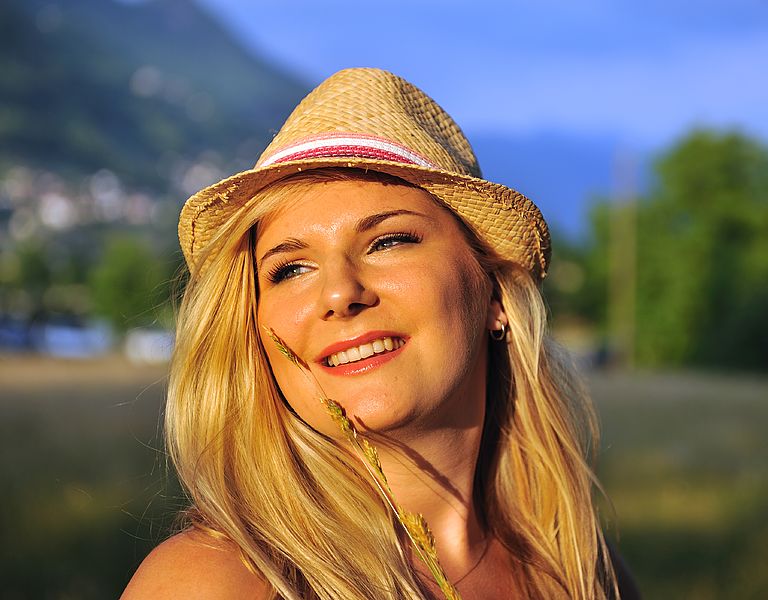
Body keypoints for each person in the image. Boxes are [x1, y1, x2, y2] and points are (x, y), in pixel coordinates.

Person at [122, 68, 639, 599]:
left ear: (494, 291)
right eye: (291, 269)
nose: (339, 293)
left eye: (388, 241)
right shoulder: (212, 583)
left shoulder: (582, 570)